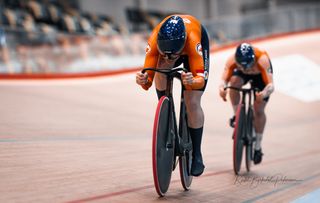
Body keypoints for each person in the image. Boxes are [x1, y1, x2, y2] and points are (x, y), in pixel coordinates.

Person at [136, 15, 210, 176]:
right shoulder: (154, 40)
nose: (169, 57)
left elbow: (201, 80)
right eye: (165, 53)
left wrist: (193, 79)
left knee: (193, 100)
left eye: (173, 54)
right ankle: (166, 108)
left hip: (194, 47)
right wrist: (143, 79)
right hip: (173, 47)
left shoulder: (192, 40)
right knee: (161, 67)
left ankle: (197, 154)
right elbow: (147, 82)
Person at [219, 43, 274, 164]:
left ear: (253, 59)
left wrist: (263, 94)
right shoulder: (231, 59)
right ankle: (236, 116)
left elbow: (271, 85)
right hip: (242, 76)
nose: (245, 69)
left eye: (248, 66)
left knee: (258, 110)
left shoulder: (262, 60)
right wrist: (222, 89)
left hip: (260, 77)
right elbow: (223, 80)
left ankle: (258, 146)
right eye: (241, 66)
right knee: (233, 84)